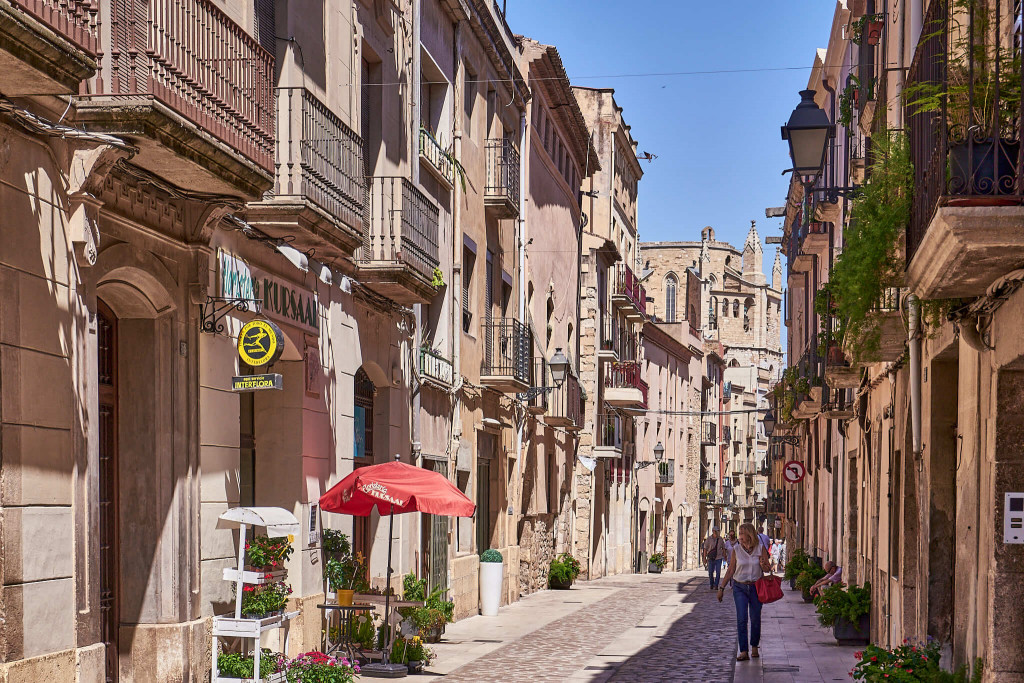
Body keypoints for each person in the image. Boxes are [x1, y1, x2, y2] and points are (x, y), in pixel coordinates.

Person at [718, 522, 772, 661]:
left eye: (742, 534)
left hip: (756, 587)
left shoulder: (760, 548)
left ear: (749, 535)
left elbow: (767, 568)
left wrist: (763, 565)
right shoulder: (736, 549)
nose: (740, 536)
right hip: (739, 587)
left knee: (755, 618)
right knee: (742, 618)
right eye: (739, 533)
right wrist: (722, 587)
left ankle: (754, 647)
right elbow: (731, 569)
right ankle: (743, 650)